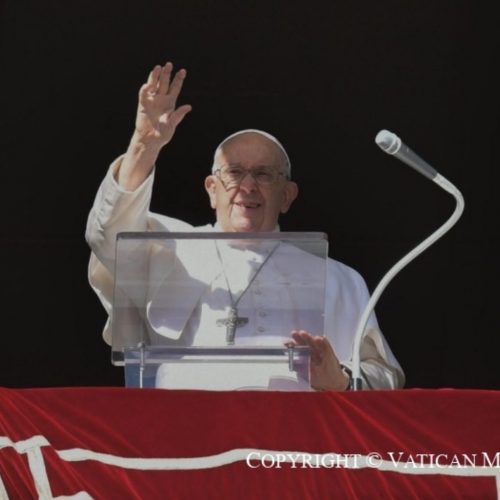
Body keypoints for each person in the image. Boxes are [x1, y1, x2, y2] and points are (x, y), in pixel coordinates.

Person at [86, 62, 405, 391]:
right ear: (212, 190)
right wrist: (144, 145)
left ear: (287, 196)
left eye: (264, 174)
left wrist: (340, 379)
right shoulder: (168, 251)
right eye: (234, 173)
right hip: (186, 420)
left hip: (291, 424)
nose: (248, 186)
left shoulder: (338, 280)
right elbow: (107, 234)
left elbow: (385, 378)